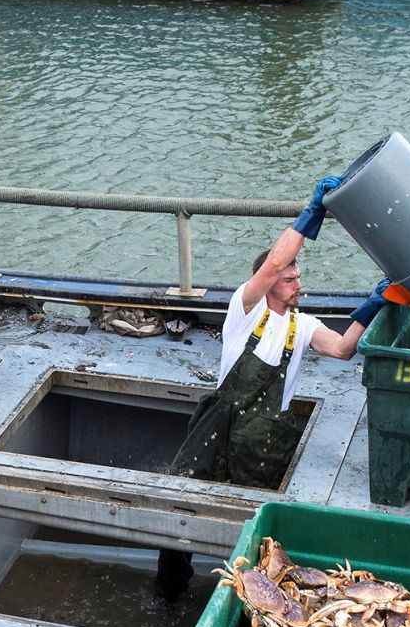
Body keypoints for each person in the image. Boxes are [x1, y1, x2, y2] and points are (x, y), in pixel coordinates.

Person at [156, 173, 389, 598]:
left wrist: (372, 305)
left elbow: (341, 349)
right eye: (289, 278)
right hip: (215, 432)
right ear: (268, 283)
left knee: (261, 531)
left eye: (299, 277)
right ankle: (170, 589)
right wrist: (311, 213)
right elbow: (273, 264)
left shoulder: (303, 325)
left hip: (263, 442)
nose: (298, 283)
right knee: (181, 508)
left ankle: (251, 600)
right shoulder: (243, 310)